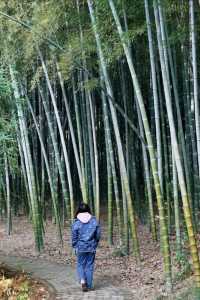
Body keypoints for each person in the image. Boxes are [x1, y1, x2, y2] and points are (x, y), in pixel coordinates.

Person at [71, 202, 101, 292]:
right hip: (91, 247)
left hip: (80, 247)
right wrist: (95, 243)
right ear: (88, 210)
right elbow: (98, 235)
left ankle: (83, 281)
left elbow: (74, 237)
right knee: (89, 265)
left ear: (78, 210)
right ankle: (89, 285)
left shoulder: (76, 223)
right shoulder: (94, 221)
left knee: (80, 264)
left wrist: (75, 246)